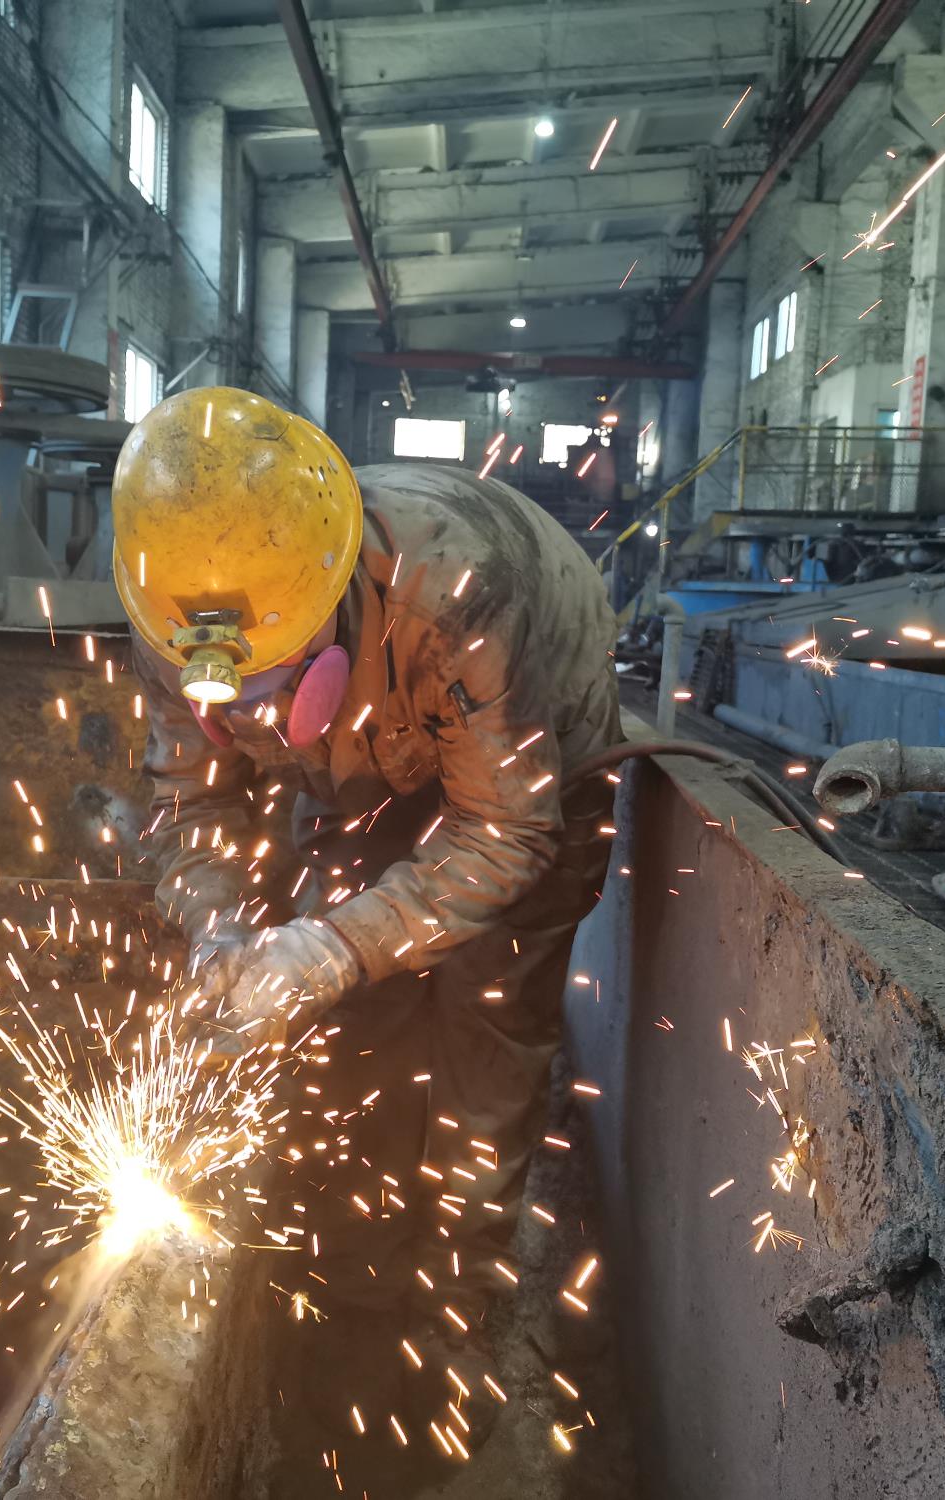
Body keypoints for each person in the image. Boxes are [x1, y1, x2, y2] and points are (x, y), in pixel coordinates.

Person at [114, 385, 621, 1475]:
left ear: (331, 606)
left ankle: (454, 1331)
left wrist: (332, 946)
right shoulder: (171, 602)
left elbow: (504, 834)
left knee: (485, 1052)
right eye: (227, 696)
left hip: (529, 774)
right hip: (368, 761)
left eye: (272, 684)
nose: (251, 719)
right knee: (348, 1040)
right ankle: (350, 1294)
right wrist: (220, 929)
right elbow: (190, 805)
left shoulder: (463, 587)